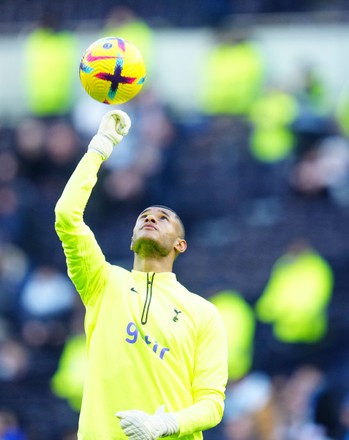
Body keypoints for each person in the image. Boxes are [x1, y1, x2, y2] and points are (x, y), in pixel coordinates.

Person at [54, 110, 228, 440]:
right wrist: (100, 147)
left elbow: (212, 404)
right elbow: (66, 216)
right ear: (132, 238)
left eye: (163, 218)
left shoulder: (203, 313)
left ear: (181, 244)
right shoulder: (102, 283)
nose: (150, 218)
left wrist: (165, 424)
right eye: (143, 216)